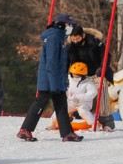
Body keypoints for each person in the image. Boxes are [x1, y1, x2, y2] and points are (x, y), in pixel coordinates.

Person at [17, 14, 83, 142]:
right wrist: (54, 85)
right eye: (70, 26)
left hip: (55, 80)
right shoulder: (53, 38)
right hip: (50, 80)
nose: (71, 29)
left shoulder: (58, 37)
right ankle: (25, 130)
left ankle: (67, 133)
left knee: (61, 104)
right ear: (62, 25)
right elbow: (51, 63)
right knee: (41, 103)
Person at [68, 25, 116, 131]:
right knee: (72, 92)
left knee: (102, 89)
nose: (75, 41)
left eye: (78, 39)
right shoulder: (71, 46)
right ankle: (68, 116)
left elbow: (106, 56)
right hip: (81, 74)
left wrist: (102, 68)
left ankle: (106, 120)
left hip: (97, 72)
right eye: (73, 39)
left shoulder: (95, 43)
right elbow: (69, 60)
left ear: (83, 36)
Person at [49, 62, 98, 131]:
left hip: (84, 103)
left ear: (83, 75)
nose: (75, 76)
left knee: (82, 111)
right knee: (60, 109)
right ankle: (53, 124)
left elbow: (93, 92)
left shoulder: (88, 83)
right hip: (71, 102)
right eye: (73, 74)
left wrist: (79, 97)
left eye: (77, 75)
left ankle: (94, 125)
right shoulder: (69, 79)